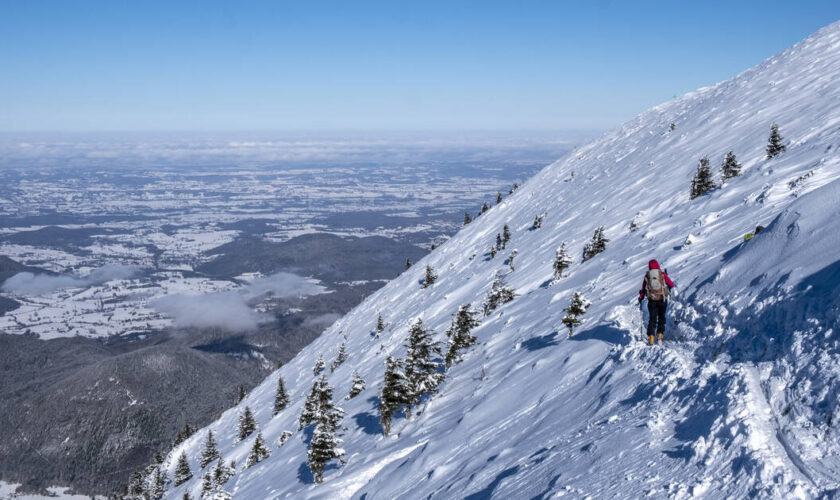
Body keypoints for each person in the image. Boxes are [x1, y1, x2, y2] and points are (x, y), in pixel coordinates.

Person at [638, 259, 675, 344]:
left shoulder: (647, 275)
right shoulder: (661, 274)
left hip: (652, 301)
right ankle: (660, 337)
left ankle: (651, 337)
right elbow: (671, 284)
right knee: (661, 318)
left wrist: (641, 297)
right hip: (662, 299)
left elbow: (643, 289)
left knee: (652, 319)